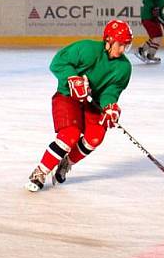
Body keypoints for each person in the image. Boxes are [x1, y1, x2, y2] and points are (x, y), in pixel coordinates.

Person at [25, 19, 133, 192]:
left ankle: (66, 162)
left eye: (125, 46)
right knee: (70, 135)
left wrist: (110, 106)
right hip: (67, 97)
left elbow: (111, 91)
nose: (122, 50)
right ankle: (40, 172)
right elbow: (57, 62)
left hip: (92, 103)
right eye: (119, 45)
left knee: (96, 136)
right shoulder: (87, 49)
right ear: (108, 40)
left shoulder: (124, 68)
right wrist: (72, 78)